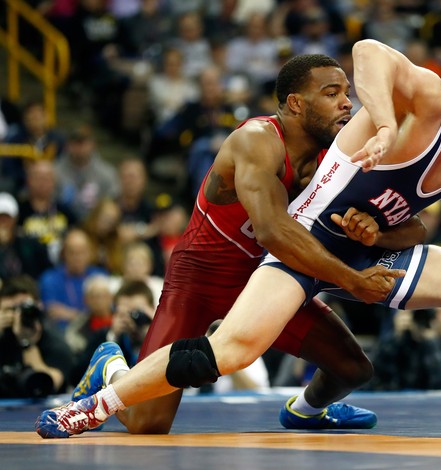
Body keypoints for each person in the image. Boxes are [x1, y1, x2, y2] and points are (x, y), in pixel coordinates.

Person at [36, 39, 441, 440]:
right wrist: (388, 118)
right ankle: (96, 403)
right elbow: (370, 50)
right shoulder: (427, 101)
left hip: (351, 250)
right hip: (295, 248)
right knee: (231, 353)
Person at [37, 53, 411, 437]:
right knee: (148, 423)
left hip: (261, 279)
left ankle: (305, 411)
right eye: (332, 93)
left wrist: (376, 229)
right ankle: (111, 366)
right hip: (198, 278)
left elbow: (411, 224)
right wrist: (352, 279)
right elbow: (271, 231)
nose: (347, 103)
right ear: (296, 104)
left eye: (347, 93)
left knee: (354, 368)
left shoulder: (332, 158)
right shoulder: (256, 140)